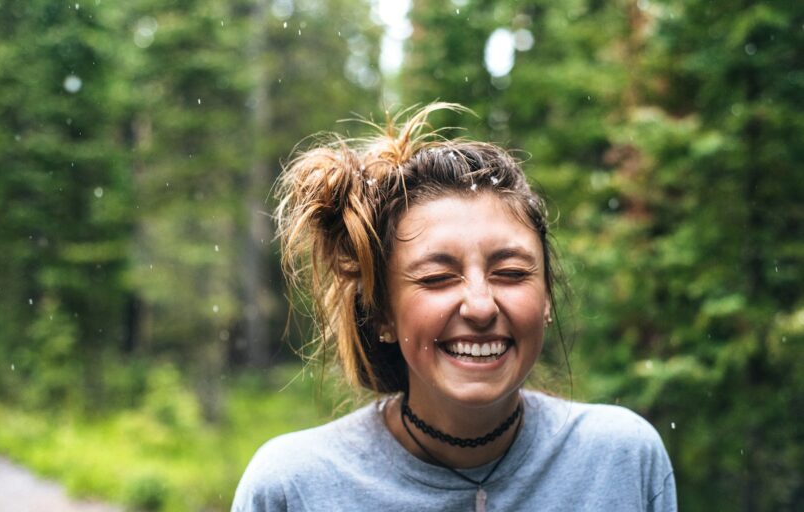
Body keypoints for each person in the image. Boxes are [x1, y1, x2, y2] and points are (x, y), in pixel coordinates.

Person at [232, 103, 677, 512]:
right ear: (383, 313)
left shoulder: (621, 461)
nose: (481, 307)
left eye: (511, 273)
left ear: (546, 299)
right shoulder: (294, 487)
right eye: (436, 278)